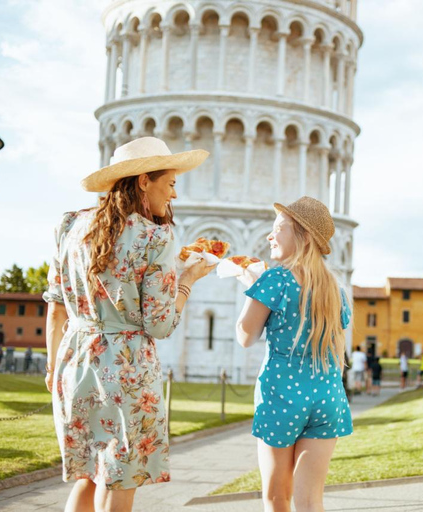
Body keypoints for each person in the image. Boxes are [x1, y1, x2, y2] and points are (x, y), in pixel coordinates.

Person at [42, 137, 213, 512]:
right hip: (126, 367)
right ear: (142, 181)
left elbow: (56, 307)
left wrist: (54, 366)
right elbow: (160, 324)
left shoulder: (70, 225)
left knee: (88, 474)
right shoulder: (154, 236)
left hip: (74, 362)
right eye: (169, 184)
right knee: (121, 477)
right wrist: (188, 280)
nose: (174, 195)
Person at [235, 196, 352, 512]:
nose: (270, 236)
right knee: (311, 500)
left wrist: (252, 287)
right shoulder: (335, 288)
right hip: (328, 398)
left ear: (304, 236)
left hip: (282, 397)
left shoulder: (275, 279)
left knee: (277, 497)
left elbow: (245, 336)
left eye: (279, 229)